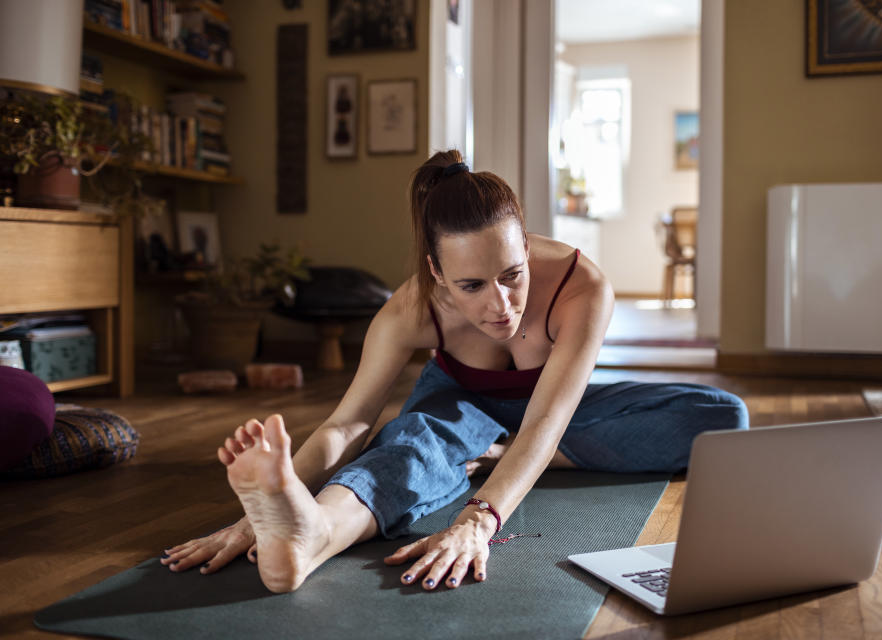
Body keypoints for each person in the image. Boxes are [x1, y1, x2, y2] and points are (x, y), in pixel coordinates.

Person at [161, 150, 748, 593]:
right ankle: (309, 533)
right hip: (459, 402)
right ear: (436, 273)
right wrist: (254, 516)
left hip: (553, 408)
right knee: (411, 444)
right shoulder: (408, 310)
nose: (502, 305)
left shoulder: (582, 286)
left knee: (721, 416)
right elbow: (347, 425)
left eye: (513, 274)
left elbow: (546, 422)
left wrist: (479, 518)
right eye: (472, 285)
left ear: (525, 242)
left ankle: (494, 455)